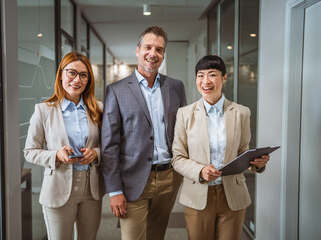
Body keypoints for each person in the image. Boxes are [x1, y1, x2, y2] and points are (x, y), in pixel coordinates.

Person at [101, 26, 187, 240]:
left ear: (163, 55)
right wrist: (114, 191)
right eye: (148, 47)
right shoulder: (117, 90)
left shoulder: (176, 87)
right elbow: (109, 145)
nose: (153, 54)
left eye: (159, 49)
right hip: (133, 180)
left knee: (157, 236)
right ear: (137, 50)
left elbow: (184, 131)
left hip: (169, 177)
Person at [171, 55, 270, 240]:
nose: (206, 81)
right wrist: (200, 170)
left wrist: (257, 163)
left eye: (212, 75)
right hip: (198, 196)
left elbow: (243, 152)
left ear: (224, 78)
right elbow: (177, 158)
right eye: (200, 75)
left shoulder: (241, 112)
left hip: (232, 195)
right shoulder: (185, 114)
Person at [24, 51, 104, 240]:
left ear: (88, 80)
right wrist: (56, 156)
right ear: (61, 75)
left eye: (83, 75)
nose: (77, 80)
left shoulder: (98, 108)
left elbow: (109, 146)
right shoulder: (43, 110)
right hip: (58, 185)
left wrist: (97, 153)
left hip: (91, 187)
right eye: (71, 73)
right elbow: (29, 151)